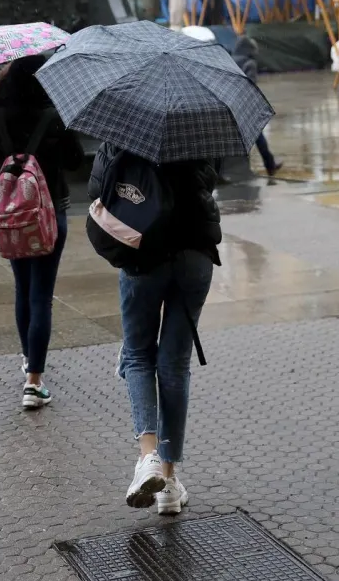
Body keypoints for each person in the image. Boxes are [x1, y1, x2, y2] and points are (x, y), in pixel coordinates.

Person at [88, 146, 221, 514]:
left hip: (143, 255)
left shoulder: (124, 128)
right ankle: (169, 481)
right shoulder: (198, 123)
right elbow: (210, 178)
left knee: (137, 353)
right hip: (194, 253)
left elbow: (96, 188)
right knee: (174, 363)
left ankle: (148, 456)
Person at [0, 55, 84, 409]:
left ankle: (29, 360)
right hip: (51, 214)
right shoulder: (54, 115)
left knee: (23, 290)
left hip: (13, 219)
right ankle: (34, 381)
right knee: (41, 295)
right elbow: (75, 161)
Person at [232, 34, 281, 176]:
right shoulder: (250, 64)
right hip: (246, 105)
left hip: (230, 103)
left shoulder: (229, 60)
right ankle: (270, 165)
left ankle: (236, 169)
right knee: (257, 136)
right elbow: (251, 86)